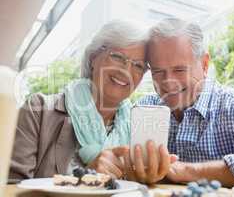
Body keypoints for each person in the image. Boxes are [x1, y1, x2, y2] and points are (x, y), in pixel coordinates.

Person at [131, 18, 234, 187]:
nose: (168, 82)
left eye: (180, 70)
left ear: (204, 64)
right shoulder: (145, 108)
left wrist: (185, 171)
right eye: (158, 71)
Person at [9, 20, 173, 181]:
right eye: (117, 57)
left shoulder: (139, 128)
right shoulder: (38, 110)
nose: (126, 71)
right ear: (94, 57)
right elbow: (10, 186)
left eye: (138, 66)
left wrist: (146, 179)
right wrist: (85, 179)